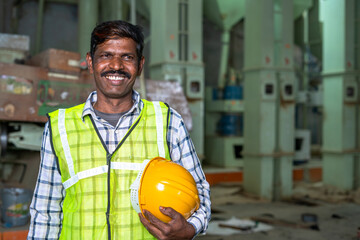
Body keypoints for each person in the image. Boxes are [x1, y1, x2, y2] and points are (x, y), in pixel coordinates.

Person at [27, 20, 211, 240]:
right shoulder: (59, 127)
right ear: (90, 62)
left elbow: (199, 192)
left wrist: (189, 229)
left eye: (127, 57)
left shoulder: (168, 121)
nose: (116, 65)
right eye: (106, 55)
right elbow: (45, 212)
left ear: (140, 65)